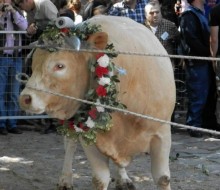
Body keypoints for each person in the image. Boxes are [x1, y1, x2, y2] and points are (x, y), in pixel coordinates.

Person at [179, 0, 219, 137]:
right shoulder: (188, 16)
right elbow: (191, 39)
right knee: (198, 94)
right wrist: (208, 53)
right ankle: (193, 125)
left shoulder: (202, 13)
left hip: (206, 61)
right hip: (196, 62)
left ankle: (209, 122)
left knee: (210, 94)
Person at [0, 0, 28, 135]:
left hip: (16, 57)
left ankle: (12, 123)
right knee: (1, 92)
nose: (5, 2)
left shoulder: (17, 12)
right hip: (2, 57)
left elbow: (25, 26)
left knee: (14, 93)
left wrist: (13, 12)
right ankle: (1, 123)